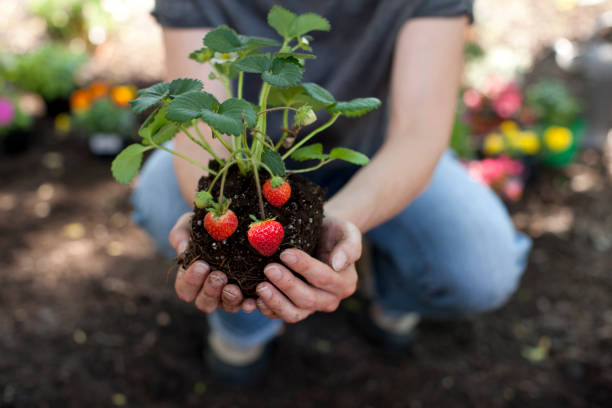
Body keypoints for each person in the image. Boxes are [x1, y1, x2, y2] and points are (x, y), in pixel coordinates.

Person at [132, 0, 531, 381]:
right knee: (165, 201)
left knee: (480, 270)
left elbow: (419, 131)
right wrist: (217, 211)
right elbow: (203, 118)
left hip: (375, 153)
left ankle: (390, 291)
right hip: (246, 164)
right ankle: (244, 324)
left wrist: (333, 228)